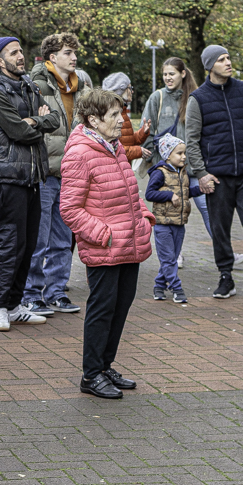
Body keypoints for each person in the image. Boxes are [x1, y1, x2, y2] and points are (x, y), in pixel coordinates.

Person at [60, 89, 155, 399]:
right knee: (103, 309)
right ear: (93, 119)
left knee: (120, 306)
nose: (121, 120)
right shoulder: (80, 152)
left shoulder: (113, 147)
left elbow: (129, 192)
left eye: (120, 113)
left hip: (129, 244)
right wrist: (104, 235)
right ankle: (91, 375)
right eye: (115, 115)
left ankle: (104, 365)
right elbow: (70, 208)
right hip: (106, 247)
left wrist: (143, 217)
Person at [0, 36, 61, 331]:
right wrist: (32, 123)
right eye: (13, 53)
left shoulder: (28, 85)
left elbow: (56, 119)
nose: (20, 56)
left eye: (20, 51)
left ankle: (15, 306)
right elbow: (18, 132)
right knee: (9, 245)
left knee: (27, 245)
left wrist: (33, 122)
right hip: (7, 177)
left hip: (31, 176)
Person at [186, 46, 243, 303]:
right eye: (222, 60)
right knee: (220, 228)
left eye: (228, 58)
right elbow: (191, 141)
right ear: (210, 66)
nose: (228, 62)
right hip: (218, 177)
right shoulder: (197, 99)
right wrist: (201, 173)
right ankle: (226, 276)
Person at [21, 33, 84, 315]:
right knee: (40, 238)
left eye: (74, 53)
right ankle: (32, 293)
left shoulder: (81, 86)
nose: (74, 57)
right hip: (45, 174)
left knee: (63, 239)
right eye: (68, 52)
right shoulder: (36, 85)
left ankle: (57, 292)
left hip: (72, 174)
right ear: (52, 57)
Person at [142, 57, 211, 268]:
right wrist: (150, 156)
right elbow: (147, 129)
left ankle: (223, 248)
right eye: (165, 74)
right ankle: (175, 255)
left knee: (207, 207)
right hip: (168, 170)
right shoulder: (158, 97)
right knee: (171, 212)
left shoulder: (194, 98)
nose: (167, 78)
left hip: (191, 167)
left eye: (171, 73)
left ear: (182, 73)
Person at [145, 133, 202, 303]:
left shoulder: (182, 172)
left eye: (184, 153)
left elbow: (185, 193)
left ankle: (159, 285)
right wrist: (169, 195)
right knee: (168, 259)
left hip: (179, 223)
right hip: (163, 224)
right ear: (167, 154)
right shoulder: (160, 172)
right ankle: (177, 288)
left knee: (172, 258)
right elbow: (149, 194)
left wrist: (201, 189)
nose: (184, 157)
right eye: (179, 153)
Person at [101, 72, 150, 164]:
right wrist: (139, 151)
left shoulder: (122, 112)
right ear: (121, 90)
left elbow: (128, 141)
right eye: (130, 88)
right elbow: (114, 149)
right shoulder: (113, 115)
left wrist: (143, 132)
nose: (132, 91)